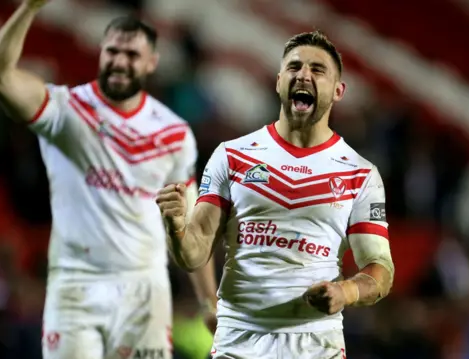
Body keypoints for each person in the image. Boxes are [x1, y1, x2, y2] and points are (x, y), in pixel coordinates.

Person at [0, 0, 218, 358]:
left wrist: (207, 302)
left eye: (132, 54)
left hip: (144, 295)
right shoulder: (67, 111)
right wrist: (29, 9)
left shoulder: (174, 134)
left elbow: (192, 227)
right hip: (78, 291)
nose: (121, 61)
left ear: (151, 62)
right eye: (113, 51)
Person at [156, 30, 395, 358]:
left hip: (315, 346)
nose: (304, 75)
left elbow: (379, 270)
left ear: (338, 91)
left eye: (318, 69)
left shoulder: (361, 174)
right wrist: (177, 227)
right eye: (295, 67)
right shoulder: (232, 156)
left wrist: (347, 290)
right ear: (279, 80)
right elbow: (194, 254)